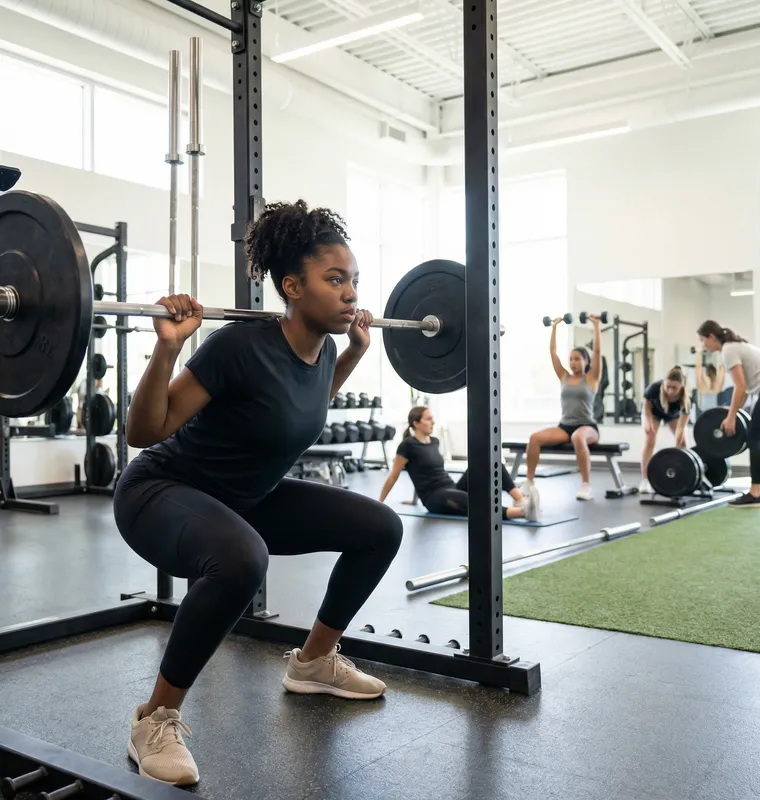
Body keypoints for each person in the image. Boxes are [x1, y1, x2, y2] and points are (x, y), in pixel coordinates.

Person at [113, 201, 403, 786]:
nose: (350, 294)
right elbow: (144, 434)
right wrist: (168, 346)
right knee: (243, 558)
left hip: (246, 497)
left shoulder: (323, 348)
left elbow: (300, 404)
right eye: (335, 280)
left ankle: (315, 661)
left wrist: (350, 355)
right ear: (292, 287)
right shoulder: (239, 347)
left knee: (380, 528)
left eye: (354, 281)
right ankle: (155, 717)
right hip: (163, 491)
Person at [697, 320, 760, 508]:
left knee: (754, 439)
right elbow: (745, 390)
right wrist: (734, 412)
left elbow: (740, 387)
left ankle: (755, 493)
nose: (703, 345)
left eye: (702, 340)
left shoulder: (728, 350)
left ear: (711, 336)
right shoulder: (736, 346)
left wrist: (731, 416)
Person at [378, 406, 534, 521]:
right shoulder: (407, 445)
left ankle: (520, 500)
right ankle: (523, 512)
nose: (433, 421)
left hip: (451, 487)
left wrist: (413, 500)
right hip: (434, 498)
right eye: (428, 418)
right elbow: (393, 476)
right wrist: (379, 504)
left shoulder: (434, 442)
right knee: (472, 503)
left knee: (491, 464)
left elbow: (421, 471)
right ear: (416, 423)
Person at [523, 314, 603, 511]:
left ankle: (586, 485)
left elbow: (598, 352)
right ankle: (529, 482)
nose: (573, 362)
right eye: (571, 359)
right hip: (565, 426)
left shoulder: (592, 378)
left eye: (577, 359)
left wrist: (596, 325)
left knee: (578, 437)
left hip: (587, 426)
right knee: (534, 438)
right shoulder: (564, 377)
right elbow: (553, 353)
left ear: (585, 361)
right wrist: (555, 327)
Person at [639, 366, 691, 494]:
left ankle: (685, 478)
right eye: (668, 386)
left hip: (672, 416)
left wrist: (678, 443)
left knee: (682, 443)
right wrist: (648, 422)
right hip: (653, 413)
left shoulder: (687, 399)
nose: (670, 390)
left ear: (681, 387)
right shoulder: (654, 388)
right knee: (650, 440)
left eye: (674, 388)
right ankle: (645, 480)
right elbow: (646, 405)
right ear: (664, 383)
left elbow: (681, 426)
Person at [695, 351, 725, 415]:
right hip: (714, 412)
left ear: (706, 373)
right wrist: (721, 353)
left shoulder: (702, 386)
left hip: (705, 413)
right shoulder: (717, 386)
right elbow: (722, 368)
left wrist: (699, 353)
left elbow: (698, 368)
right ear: (715, 373)